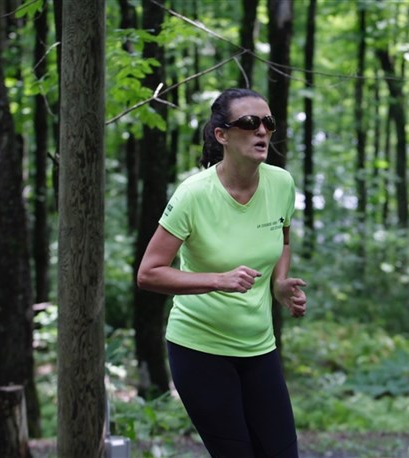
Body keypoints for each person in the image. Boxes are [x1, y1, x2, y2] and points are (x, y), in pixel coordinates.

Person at [137, 87, 307, 457]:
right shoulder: (194, 194)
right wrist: (217, 280)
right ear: (222, 135)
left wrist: (278, 284)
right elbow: (149, 273)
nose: (262, 130)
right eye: (249, 122)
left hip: (259, 347)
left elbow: (283, 239)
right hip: (200, 349)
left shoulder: (281, 183)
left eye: (268, 123)